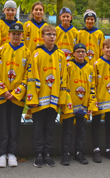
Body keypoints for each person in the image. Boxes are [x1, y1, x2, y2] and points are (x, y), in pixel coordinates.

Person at [26, 25, 68, 168]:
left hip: (54, 99)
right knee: (38, 128)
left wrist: (62, 99)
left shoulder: (61, 55)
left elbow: (64, 79)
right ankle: (38, 154)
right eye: (48, 34)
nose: (51, 37)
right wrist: (32, 99)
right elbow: (31, 77)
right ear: (42, 36)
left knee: (50, 128)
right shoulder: (36, 54)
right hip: (39, 99)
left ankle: (47, 154)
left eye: (54, 34)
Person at [0, 23, 31, 168]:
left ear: (22, 36)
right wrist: (3, 90)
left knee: (14, 124)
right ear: (9, 35)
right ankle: (2, 153)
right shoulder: (0, 51)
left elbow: (29, 73)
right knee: (2, 124)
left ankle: (12, 153)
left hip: (17, 96)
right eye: (13, 33)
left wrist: (18, 91)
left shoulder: (27, 53)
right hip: (3, 95)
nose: (16, 36)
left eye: (19, 34)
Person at [60, 43, 96, 166]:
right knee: (67, 131)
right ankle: (66, 154)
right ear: (73, 53)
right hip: (69, 104)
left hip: (83, 105)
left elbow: (92, 88)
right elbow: (63, 83)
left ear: (86, 53)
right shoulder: (68, 66)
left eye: (83, 51)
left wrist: (91, 105)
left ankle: (79, 153)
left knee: (81, 131)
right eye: (78, 51)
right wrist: (66, 101)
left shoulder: (90, 68)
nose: (81, 54)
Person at [91, 38, 110, 163]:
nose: (109, 49)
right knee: (96, 125)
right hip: (99, 100)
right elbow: (93, 83)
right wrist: (94, 100)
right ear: (102, 49)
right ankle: (96, 150)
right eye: (107, 47)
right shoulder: (97, 64)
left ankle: (109, 149)